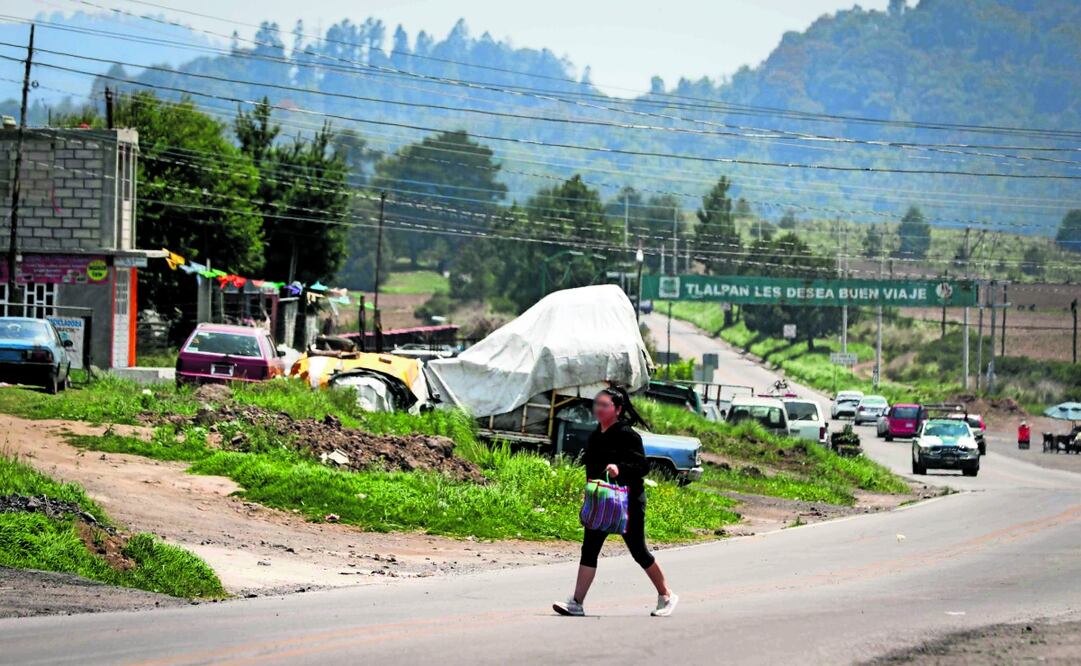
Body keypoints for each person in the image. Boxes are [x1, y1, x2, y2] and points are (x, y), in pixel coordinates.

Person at [552, 387, 678, 618]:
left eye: (604, 405)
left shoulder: (627, 434)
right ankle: (577, 603)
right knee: (589, 549)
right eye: (597, 404)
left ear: (618, 410)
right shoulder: (595, 434)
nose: (598, 409)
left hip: (627, 503)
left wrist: (620, 468)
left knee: (638, 550)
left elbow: (642, 467)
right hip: (601, 501)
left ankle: (666, 595)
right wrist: (590, 495)